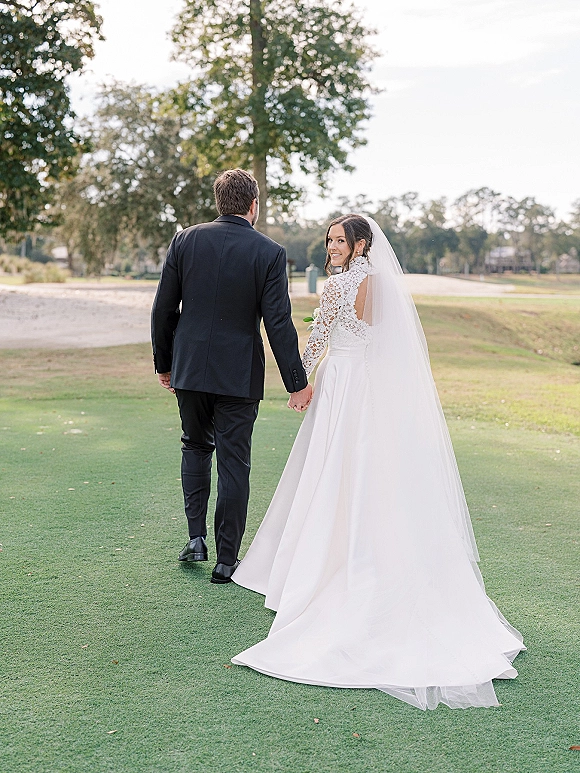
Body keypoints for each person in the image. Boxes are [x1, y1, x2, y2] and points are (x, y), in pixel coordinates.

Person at [231, 214, 525, 710]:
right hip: (350, 380)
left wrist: (306, 373)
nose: (334, 247)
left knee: (347, 466)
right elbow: (354, 335)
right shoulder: (359, 281)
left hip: (349, 380)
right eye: (331, 240)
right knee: (336, 468)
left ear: (362, 245)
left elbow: (341, 334)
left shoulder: (353, 281)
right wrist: (311, 373)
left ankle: (337, 563)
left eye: (341, 240)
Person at [151, 169, 312, 584]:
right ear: (253, 206)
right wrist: (297, 381)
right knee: (234, 462)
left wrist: (164, 364)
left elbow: (163, 309)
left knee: (194, 446)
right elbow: (278, 322)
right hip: (239, 373)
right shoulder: (270, 252)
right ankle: (226, 561)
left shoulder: (185, 240)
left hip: (189, 368)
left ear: (219, 201)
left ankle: (195, 539)